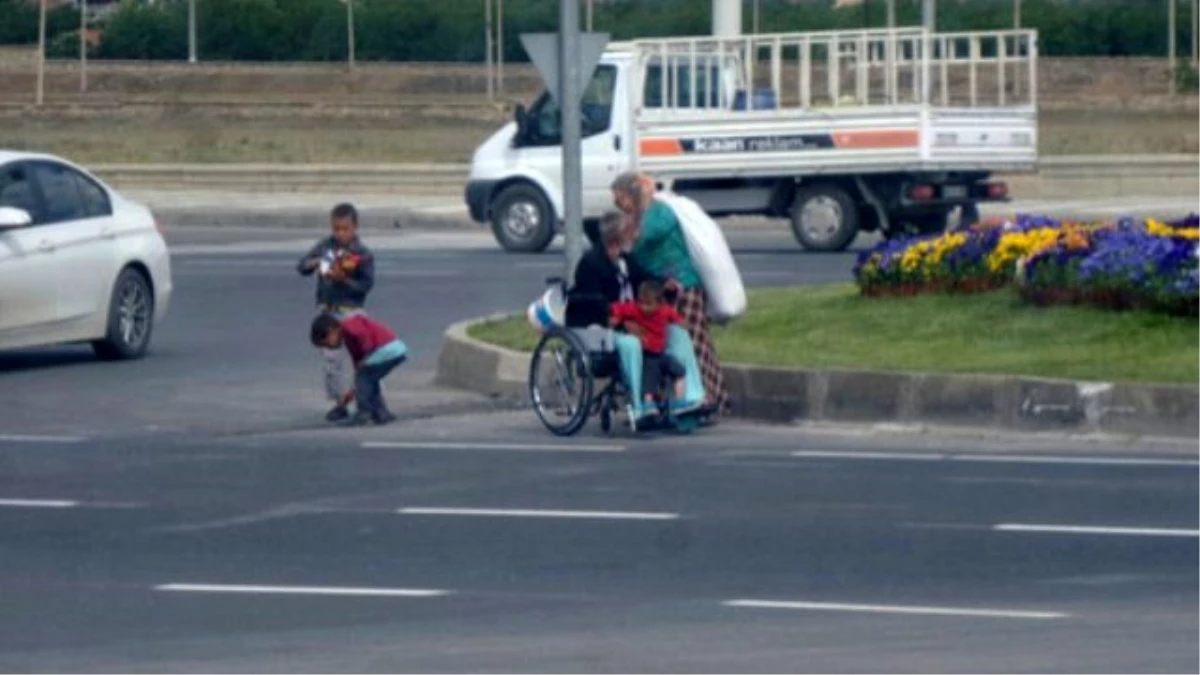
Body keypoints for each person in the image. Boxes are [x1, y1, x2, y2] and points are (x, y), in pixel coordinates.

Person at [610, 171, 729, 416]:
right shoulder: (638, 217)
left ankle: (710, 397)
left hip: (684, 286)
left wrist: (625, 234)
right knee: (669, 343)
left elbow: (638, 241)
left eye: (619, 197)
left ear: (630, 194)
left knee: (694, 342)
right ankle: (681, 398)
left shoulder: (657, 213)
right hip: (659, 290)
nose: (617, 203)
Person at [297, 203, 375, 422]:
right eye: (336, 229)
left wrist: (345, 280)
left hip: (351, 310)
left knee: (363, 359)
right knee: (332, 362)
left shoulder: (363, 254)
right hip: (328, 311)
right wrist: (315, 264)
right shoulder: (325, 247)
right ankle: (341, 402)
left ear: (355, 227)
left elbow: (365, 285)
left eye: (345, 229)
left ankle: (368, 402)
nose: (340, 234)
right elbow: (301, 265)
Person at [310, 313, 407, 426]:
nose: (329, 348)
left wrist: (367, 354)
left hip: (386, 349)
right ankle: (381, 413)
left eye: (327, 343)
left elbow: (363, 334)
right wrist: (353, 389)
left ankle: (364, 413)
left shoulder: (349, 325)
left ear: (332, 330)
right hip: (392, 351)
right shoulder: (348, 339)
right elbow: (358, 363)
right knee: (369, 380)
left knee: (365, 378)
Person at [609, 280, 687, 407]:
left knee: (680, 371)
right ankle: (648, 405)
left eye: (649, 304)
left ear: (659, 302)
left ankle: (681, 402)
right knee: (650, 381)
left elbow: (676, 318)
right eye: (641, 302)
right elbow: (618, 308)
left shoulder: (665, 311)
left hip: (661, 353)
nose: (644, 307)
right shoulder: (635, 309)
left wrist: (682, 323)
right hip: (648, 354)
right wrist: (616, 318)